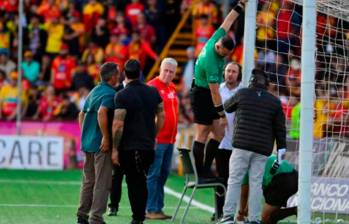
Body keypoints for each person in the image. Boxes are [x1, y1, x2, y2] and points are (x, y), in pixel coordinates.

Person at [218, 69, 286, 224]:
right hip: (262, 149)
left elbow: (227, 107)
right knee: (256, 184)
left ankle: (228, 217)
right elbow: (280, 129)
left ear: (251, 82)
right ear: (266, 84)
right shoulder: (275, 102)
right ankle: (254, 219)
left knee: (234, 180)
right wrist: (282, 150)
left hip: (241, 145)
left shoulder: (243, 93)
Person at [190, 0, 247, 176]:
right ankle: (199, 171)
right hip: (201, 94)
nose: (225, 57)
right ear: (219, 48)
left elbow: (227, 22)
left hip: (207, 93)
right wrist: (222, 115)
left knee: (219, 133)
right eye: (224, 54)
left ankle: (206, 168)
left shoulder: (216, 38)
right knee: (203, 132)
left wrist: (239, 6)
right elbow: (215, 93)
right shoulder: (211, 64)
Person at [111, 59, 165, 224]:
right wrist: (153, 134)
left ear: (125, 74)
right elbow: (162, 116)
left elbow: (118, 125)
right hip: (148, 146)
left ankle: (137, 218)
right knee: (141, 180)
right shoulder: (153, 92)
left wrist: (114, 148)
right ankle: (139, 217)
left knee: (134, 182)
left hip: (130, 147)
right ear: (140, 73)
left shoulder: (122, 95)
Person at [76, 62, 120, 224]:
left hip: (87, 143)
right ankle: (96, 218)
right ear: (113, 76)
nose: (120, 75)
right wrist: (106, 137)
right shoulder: (110, 94)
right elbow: (102, 112)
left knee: (88, 181)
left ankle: (82, 215)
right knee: (103, 182)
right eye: (118, 73)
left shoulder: (94, 91)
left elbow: (81, 114)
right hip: (101, 146)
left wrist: (85, 134)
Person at [146, 58, 179, 220]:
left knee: (163, 174)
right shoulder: (152, 87)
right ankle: (150, 209)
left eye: (171, 72)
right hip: (157, 140)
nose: (168, 74)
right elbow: (146, 115)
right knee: (153, 174)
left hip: (170, 140)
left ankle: (157, 208)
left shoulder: (172, 87)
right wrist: (150, 137)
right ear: (160, 69)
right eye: (165, 70)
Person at [215, 62, 242, 220]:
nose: (230, 74)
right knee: (221, 178)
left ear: (238, 74)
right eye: (228, 71)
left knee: (236, 179)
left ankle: (236, 212)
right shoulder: (218, 89)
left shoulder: (243, 91)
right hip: (221, 141)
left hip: (238, 143)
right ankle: (219, 212)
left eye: (234, 71)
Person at [236, 155, 298, 224]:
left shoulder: (245, 168)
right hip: (294, 176)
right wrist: (246, 209)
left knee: (266, 218)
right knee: (270, 214)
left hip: (281, 179)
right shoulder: (258, 156)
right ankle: (294, 210)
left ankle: (294, 210)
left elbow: (244, 194)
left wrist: (241, 213)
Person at [107, 80, 126, 217]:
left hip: (135, 141)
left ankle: (139, 211)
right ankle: (113, 206)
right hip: (118, 140)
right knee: (116, 176)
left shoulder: (141, 90)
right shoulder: (115, 92)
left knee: (136, 178)